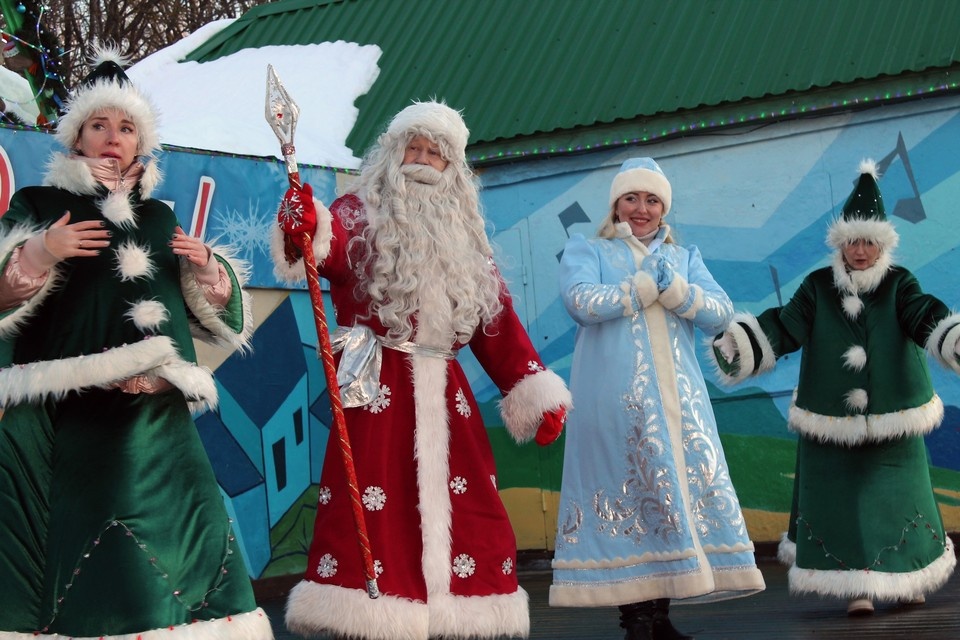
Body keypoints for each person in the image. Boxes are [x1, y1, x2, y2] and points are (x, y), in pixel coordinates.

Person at [271, 101, 572, 640]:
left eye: (436, 152)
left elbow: (496, 321)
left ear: (453, 167)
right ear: (393, 152)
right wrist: (305, 223)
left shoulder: (466, 239)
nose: (423, 160)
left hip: (448, 394)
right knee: (378, 511)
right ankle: (377, 621)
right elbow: (321, 251)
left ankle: (455, 617)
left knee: (472, 508)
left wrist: (531, 389)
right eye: (414, 147)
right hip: (377, 389)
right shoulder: (356, 213)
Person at [0, 48, 272, 638]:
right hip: (80, 410)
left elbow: (208, 318)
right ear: (76, 138)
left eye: (126, 128)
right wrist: (41, 251)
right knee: (111, 554)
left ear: (140, 143)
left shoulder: (157, 218)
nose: (112, 137)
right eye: (98, 125)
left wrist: (209, 271)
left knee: (195, 538)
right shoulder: (42, 204)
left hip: (163, 412)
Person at [711, 159, 957, 615]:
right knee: (841, 499)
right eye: (851, 242)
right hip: (830, 415)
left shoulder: (900, 284)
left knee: (900, 495)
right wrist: (744, 344)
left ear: (882, 244)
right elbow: (787, 325)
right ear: (839, 243)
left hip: (893, 411)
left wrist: (951, 335)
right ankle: (855, 587)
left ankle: (908, 578)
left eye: (868, 242)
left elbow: (923, 313)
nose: (859, 252)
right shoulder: (817, 287)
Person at [549, 157, 766, 640]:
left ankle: (660, 617)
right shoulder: (589, 249)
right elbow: (580, 302)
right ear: (616, 204)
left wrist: (677, 291)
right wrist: (642, 288)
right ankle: (636, 620)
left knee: (669, 501)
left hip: (677, 407)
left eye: (651, 200)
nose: (641, 208)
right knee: (626, 500)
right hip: (611, 405)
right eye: (631, 198)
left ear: (663, 208)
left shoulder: (683, 258)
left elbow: (720, 313)